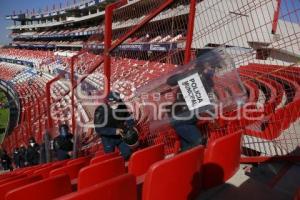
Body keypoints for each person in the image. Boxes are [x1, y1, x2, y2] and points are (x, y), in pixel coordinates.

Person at [165, 50, 222, 151]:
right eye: (212, 67)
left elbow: (207, 100)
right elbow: (170, 81)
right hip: (179, 117)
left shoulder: (209, 81)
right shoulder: (192, 74)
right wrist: (184, 76)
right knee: (198, 142)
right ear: (204, 63)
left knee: (187, 147)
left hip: (191, 118)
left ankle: (185, 162)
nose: (213, 70)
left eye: (214, 67)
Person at [94, 92, 136, 160]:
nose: (117, 104)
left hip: (121, 135)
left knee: (128, 154)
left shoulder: (121, 106)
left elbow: (127, 116)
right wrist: (114, 131)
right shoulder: (100, 110)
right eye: (114, 102)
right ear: (109, 102)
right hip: (108, 138)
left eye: (118, 102)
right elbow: (98, 129)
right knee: (111, 158)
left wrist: (131, 126)